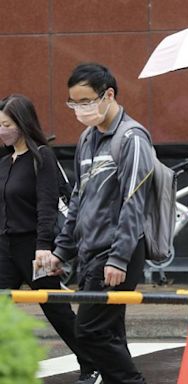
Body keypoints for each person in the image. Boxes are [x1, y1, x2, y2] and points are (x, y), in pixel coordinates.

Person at [39, 63, 154, 384]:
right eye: (73, 103)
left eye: (86, 101)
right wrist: (62, 252)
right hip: (91, 254)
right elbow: (78, 199)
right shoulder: (87, 139)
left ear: (109, 95)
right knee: (110, 334)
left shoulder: (132, 139)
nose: (80, 110)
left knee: (89, 331)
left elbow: (134, 202)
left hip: (117, 254)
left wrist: (118, 257)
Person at [0, 94, 99, 384]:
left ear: (21, 123)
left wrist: (45, 247)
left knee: (56, 311)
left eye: (6, 124)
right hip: (4, 248)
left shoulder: (41, 157)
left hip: (35, 248)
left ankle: (91, 364)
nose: (1, 130)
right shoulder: (5, 161)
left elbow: (47, 205)